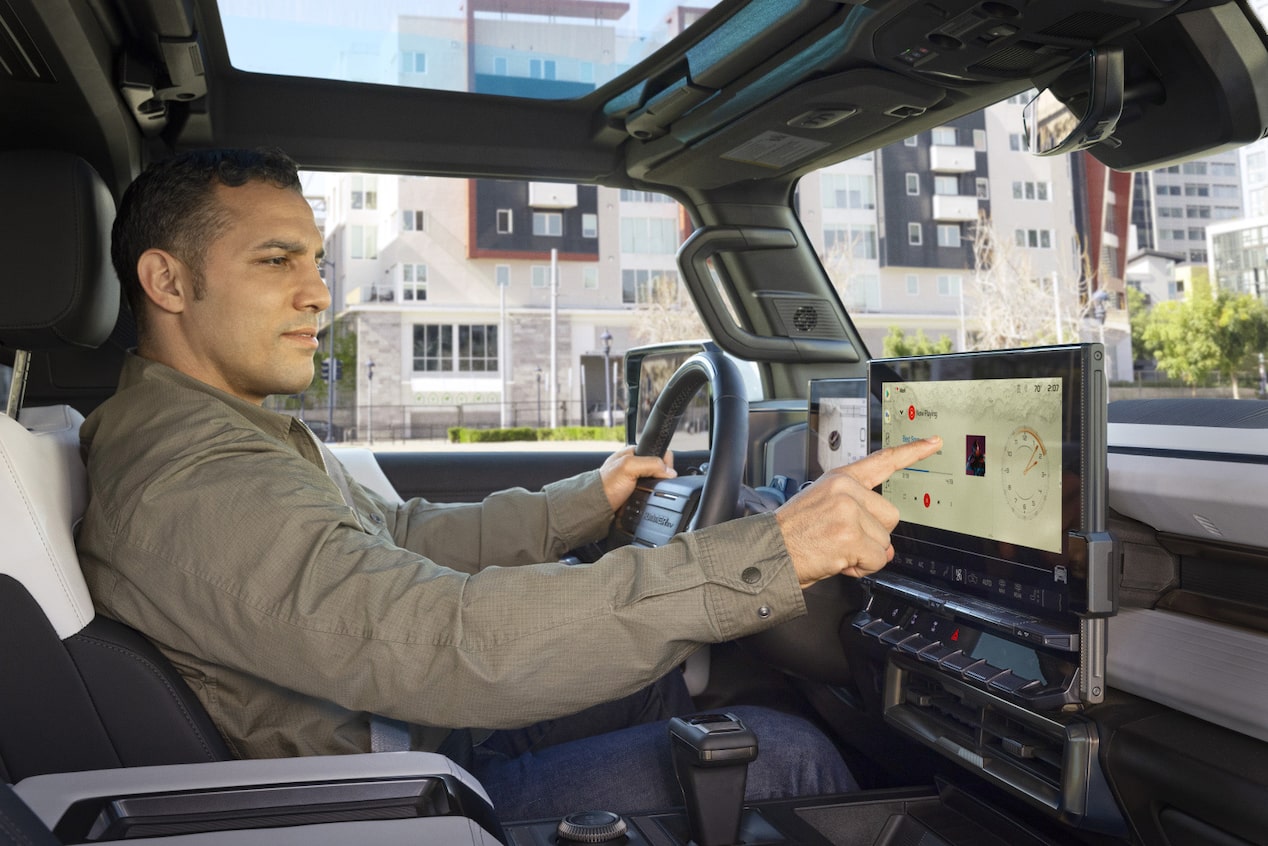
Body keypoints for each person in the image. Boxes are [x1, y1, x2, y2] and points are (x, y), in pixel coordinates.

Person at [75, 148, 942, 820]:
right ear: (167, 280)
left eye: (315, 258)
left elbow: (402, 539)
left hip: (406, 727)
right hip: (398, 794)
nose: (317, 292)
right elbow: (444, 642)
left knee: (689, 672)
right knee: (786, 754)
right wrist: (772, 549)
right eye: (276, 261)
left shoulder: (221, 430)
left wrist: (584, 503)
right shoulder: (191, 475)